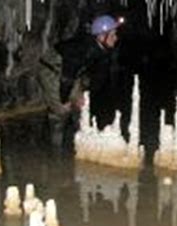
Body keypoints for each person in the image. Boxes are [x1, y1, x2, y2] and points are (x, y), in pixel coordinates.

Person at [38, 14, 124, 145]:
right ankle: (55, 149)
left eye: (115, 34)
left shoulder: (101, 49)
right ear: (101, 37)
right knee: (62, 109)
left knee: (81, 105)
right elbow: (67, 78)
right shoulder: (82, 50)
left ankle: (79, 140)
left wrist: (85, 92)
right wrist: (64, 99)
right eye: (112, 35)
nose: (116, 38)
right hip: (51, 70)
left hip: (72, 73)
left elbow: (98, 75)